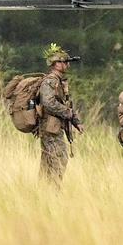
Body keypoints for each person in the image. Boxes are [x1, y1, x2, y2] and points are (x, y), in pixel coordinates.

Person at [38, 44, 83, 185]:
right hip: (50, 127)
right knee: (58, 159)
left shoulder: (60, 82)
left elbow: (66, 104)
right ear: (55, 64)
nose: (67, 65)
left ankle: (45, 191)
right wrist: (66, 113)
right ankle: (52, 190)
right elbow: (48, 102)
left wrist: (76, 122)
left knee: (50, 161)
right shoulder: (50, 81)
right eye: (63, 62)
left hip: (55, 127)